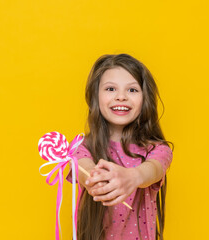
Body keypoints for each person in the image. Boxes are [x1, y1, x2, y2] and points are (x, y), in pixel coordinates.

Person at [68, 53, 173, 240]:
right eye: (110, 89)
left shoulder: (158, 150)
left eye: (132, 90)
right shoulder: (81, 147)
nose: (121, 97)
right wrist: (95, 179)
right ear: (95, 96)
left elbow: (154, 170)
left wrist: (134, 176)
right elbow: (83, 166)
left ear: (145, 98)